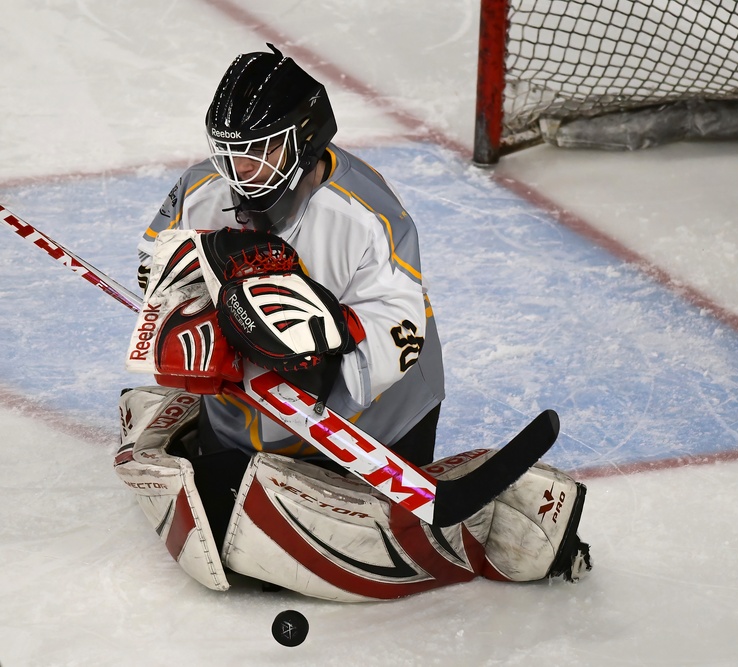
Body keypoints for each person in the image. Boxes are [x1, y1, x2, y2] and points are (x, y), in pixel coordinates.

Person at [115, 44, 591, 601]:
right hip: (239, 417)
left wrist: (328, 336)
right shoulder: (205, 188)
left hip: (377, 419)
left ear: (304, 138)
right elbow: (156, 260)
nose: (237, 172)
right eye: (229, 154)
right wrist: (190, 320)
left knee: (315, 540)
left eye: (255, 153)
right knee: (230, 527)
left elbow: (402, 328)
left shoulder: (368, 215)